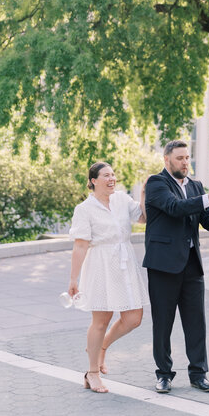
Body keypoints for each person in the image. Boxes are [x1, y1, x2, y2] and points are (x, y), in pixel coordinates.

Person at [143, 140, 209, 394]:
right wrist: (206, 199)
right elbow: (174, 208)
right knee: (163, 323)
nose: (185, 162)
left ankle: (198, 374)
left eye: (187, 158)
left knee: (196, 322)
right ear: (167, 160)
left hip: (192, 264)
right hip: (163, 266)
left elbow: (204, 219)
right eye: (180, 158)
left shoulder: (195, 186)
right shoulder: (156, 183)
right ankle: (164, 375)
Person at [68, 162, 149, 393]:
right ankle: (92, 373)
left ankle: (101, 347)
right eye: (106, 175)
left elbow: (143, 217)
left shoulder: (122, 200)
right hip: (100, 265)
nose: (111, 178)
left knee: (134, 317)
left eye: (113, 174)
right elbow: (81, 246)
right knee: (101, 320)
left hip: (125, 263)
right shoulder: (84, 209)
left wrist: (144, 191)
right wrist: (73, 279)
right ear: (93, 180)